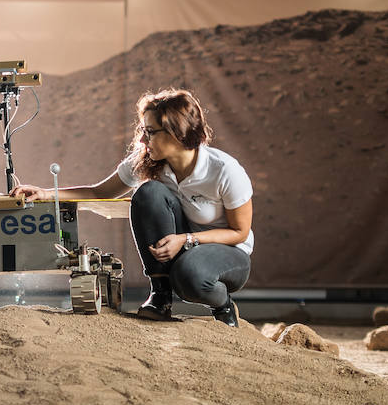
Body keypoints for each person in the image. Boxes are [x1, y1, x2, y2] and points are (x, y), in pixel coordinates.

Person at [13, 87, 253, 326]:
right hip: (183, 246)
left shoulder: (224, 170)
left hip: (229, 253)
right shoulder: (147, 160)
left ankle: (223, 306)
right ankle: (160, 296)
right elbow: (100, 192)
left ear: (175, 132)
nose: (141, 140)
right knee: (148, 193)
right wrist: (46, 194)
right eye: (143, 131)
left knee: (189, 274)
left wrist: (186, 239)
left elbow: (239, 232)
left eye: (150, 132)